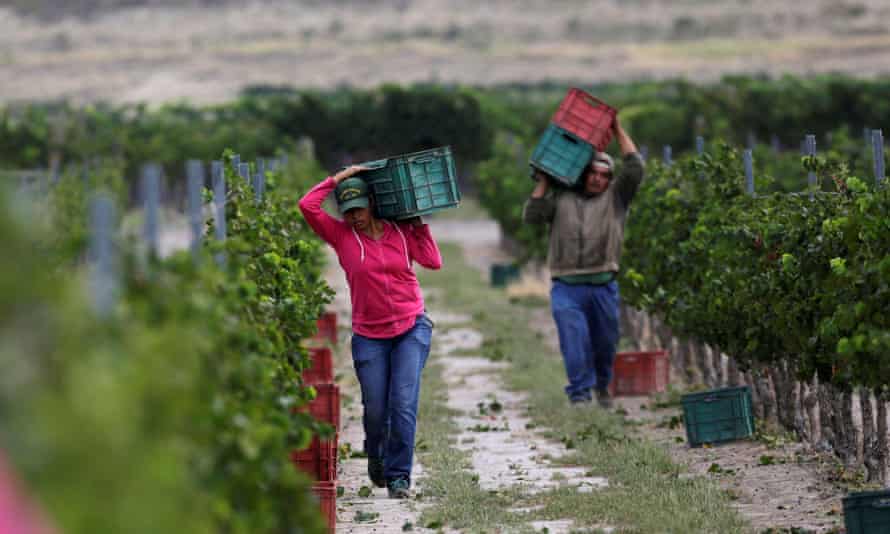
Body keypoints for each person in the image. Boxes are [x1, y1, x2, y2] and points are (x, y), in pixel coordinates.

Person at [298, 165, 442, 499]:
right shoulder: (341, 236)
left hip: (411, 326)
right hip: (369, 335)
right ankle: (375, 455)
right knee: (376, 409)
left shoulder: (400, 231)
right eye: (347, 212)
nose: (354, 218)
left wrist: (418, 224)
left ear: (372, 203)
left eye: (359, 209)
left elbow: (433, 261)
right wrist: (339, 177)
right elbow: (307, 205)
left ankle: (399, 477)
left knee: (403, 403)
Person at [522, 119, 644, 408]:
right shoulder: (561, 198)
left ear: (610, 179)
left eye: (604, 175)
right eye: (593, 173)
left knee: (605, 344)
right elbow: (532, 216)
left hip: (603, 285)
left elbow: (635, 166)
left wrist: (616, 129)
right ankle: (579, 394)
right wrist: (543, 182)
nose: (598, 179)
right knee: (573, 341)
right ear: (583, 174)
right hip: (567, 286)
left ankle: (602, 386)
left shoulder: (616, 198)